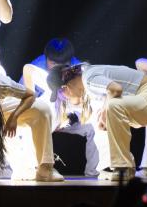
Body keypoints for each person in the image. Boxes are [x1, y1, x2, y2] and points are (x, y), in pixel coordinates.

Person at [49, 63, 147, 180]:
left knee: (110, 107)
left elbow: (115, 89)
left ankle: (123, 167)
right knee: (101, 117)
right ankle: (109, 166)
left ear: (66, 87)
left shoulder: (88, 78)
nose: (64, 98)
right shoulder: (89, 82)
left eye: (61, 94)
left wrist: (105, 110)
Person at [22, 38, 98, 176]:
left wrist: (73, 117)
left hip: (72, 116)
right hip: (49, 112)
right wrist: (32, 99)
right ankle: (34, 168)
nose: (58, 67)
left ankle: (93, 172)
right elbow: (27, 72)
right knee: (35, 123)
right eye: (54, 63)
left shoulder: (77, 69)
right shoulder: (42, 70)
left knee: (94, 127)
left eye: (63, 64)